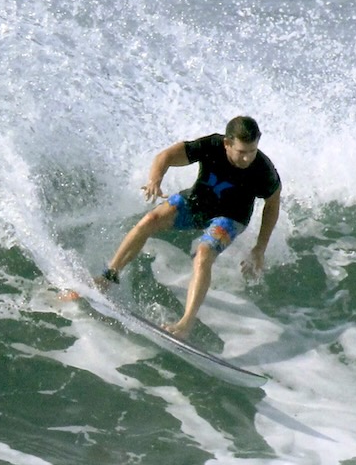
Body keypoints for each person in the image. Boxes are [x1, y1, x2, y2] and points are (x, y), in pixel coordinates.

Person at [97, 115, 281, 339]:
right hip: (196, 204)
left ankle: (185, 323)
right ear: (227, 143)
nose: (247, 158)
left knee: (203, 254)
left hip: (230, 217)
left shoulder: (263, 170)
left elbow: (272, 205)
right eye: (241, 152)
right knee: (148, 221)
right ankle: (108, 277)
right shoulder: (211, 146)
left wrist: (259, 248)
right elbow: (165, 156)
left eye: (252, 151)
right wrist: (155, 180)